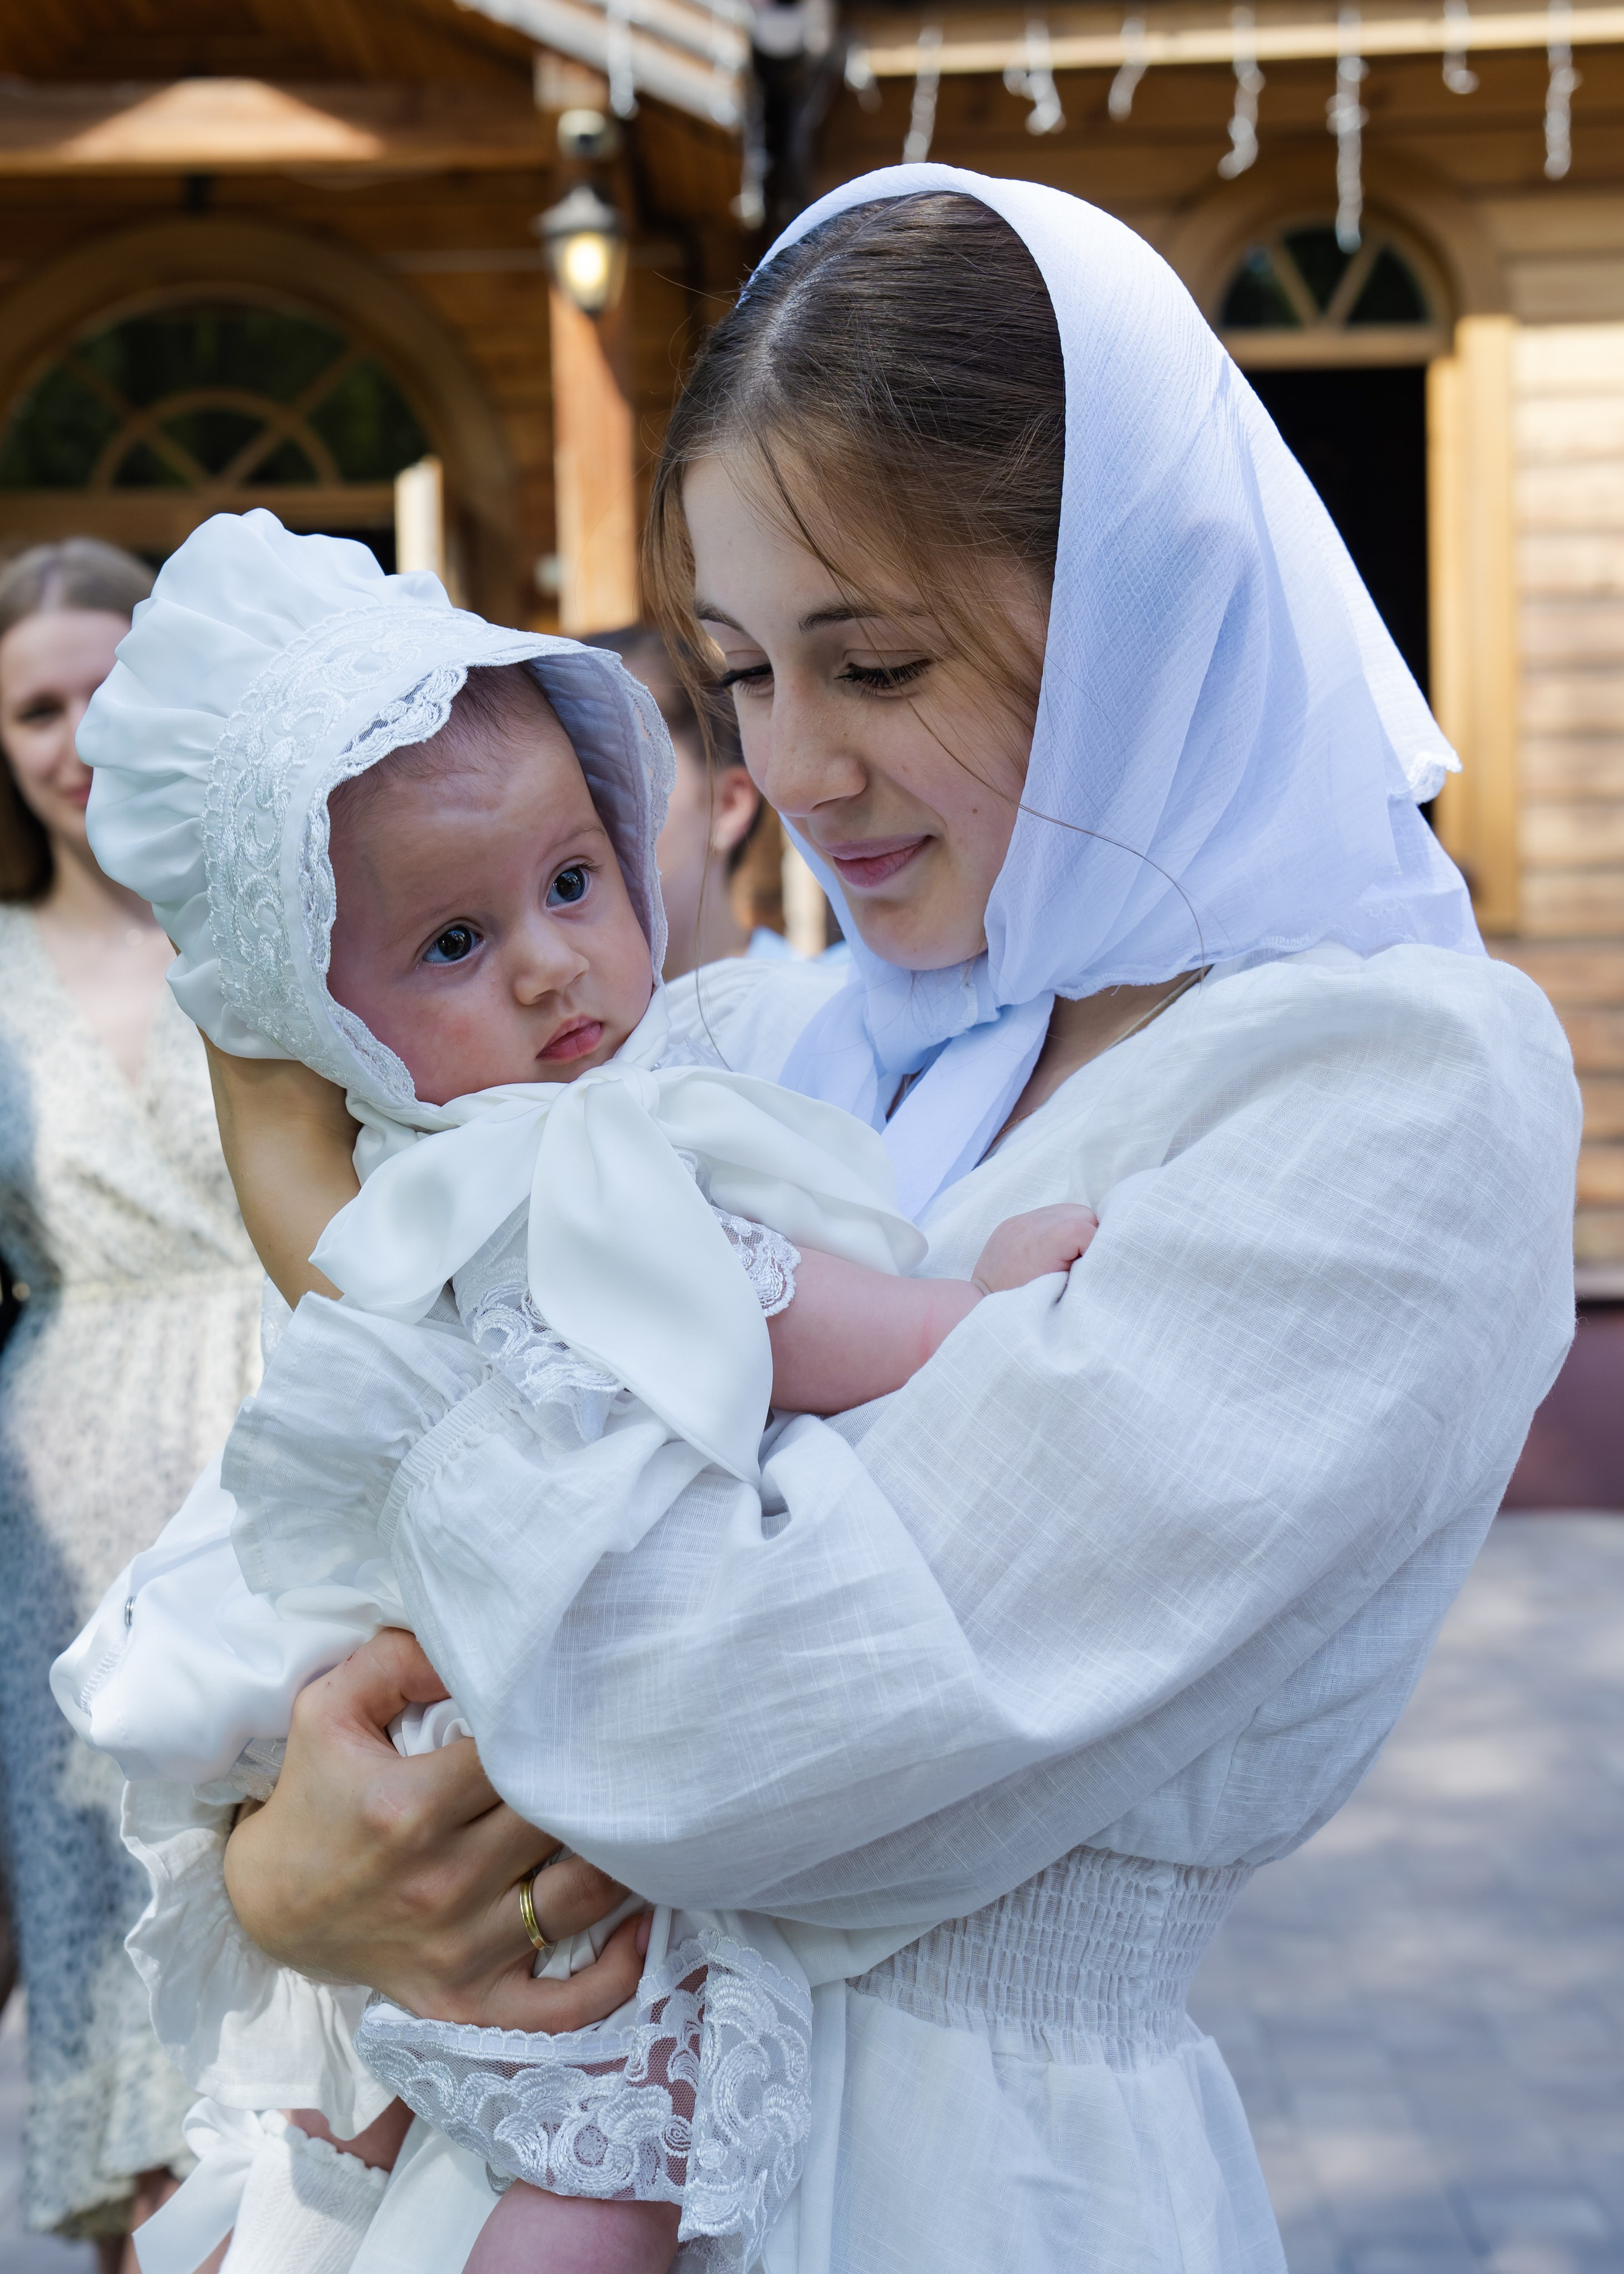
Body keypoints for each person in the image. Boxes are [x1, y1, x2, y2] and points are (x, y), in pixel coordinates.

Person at [204, 172, 1578, 2274]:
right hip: (505, 2154)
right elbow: (287, 1595)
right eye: (743, 674)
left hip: (963, 2186)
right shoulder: (760, 1037)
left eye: (877, 662)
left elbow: (714, 1723)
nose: (797, 769)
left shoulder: (1391, 1092)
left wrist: (324, 1227)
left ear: (1136, 611)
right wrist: (278, 1869)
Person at [56, 509, 1094, 2274]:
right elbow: (765, 1309)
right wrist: (963, 1314)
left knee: (404, 2142)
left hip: (448, 1747)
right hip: (514, 1753)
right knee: (610, 2137)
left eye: (570, 884)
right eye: (452, 944)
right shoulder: (543, 1170)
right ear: (329, 1020)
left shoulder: (489, 1152)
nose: (548, 963)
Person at [0, 539, 263, 2264]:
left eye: (108, 687)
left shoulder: (272, 905)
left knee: (292, 1945)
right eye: (36, 708)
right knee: (107, 1940)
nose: (78, 735)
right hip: (59, 1541)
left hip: (275, 1467)